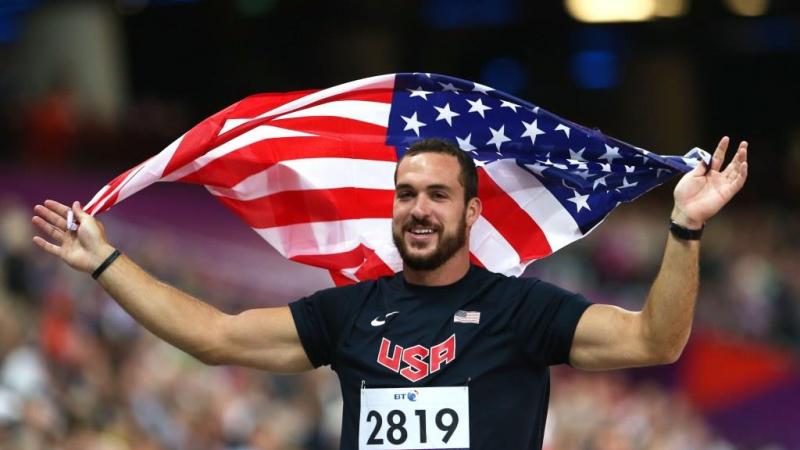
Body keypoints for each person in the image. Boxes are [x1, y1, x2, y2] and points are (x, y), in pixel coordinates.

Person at [32, 136, 748, 449]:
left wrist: (684, 228)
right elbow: (216, 337)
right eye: (406, 194)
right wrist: (105, 263)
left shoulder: (520, 310)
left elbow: (657, 340)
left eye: (438, 195)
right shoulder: (350, 313)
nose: (419, 208)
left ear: (471, 214)